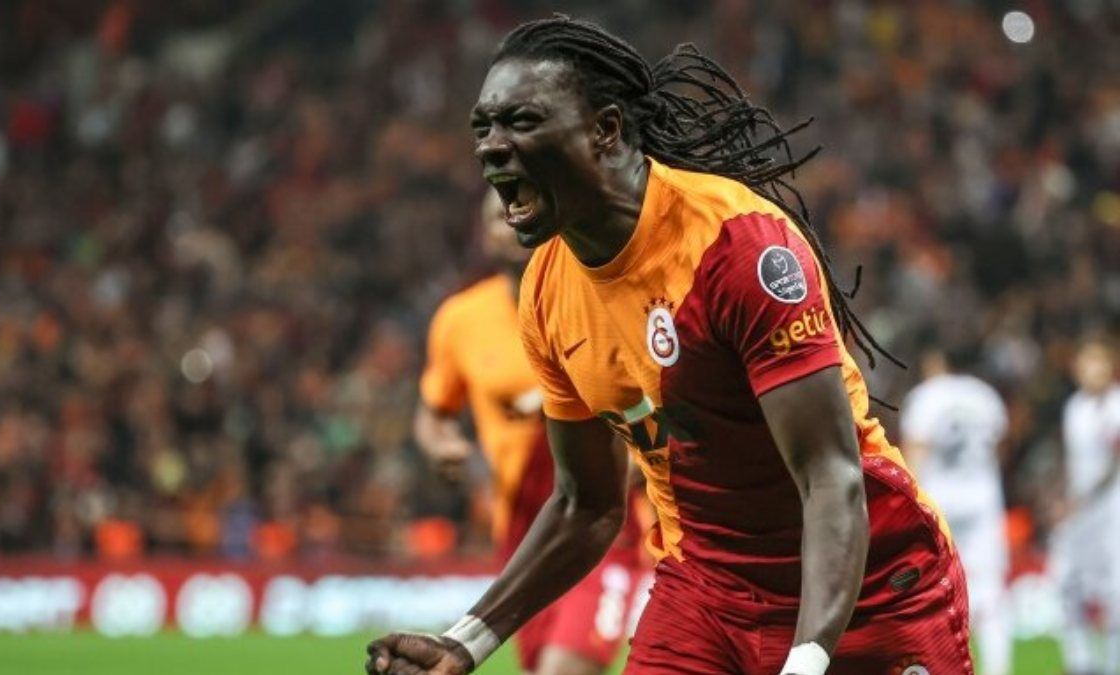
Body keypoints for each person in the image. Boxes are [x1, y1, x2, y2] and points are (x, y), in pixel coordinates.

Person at [367, 16, 970, 675]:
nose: (491, 146)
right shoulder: (545, 292)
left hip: (871, 592)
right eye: (483, 126)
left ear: (606, 129)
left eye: (522, 121)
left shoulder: (736, 246)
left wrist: (804, 663)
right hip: (708, 593)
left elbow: (829, 476)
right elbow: (586, 504)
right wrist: (464, 642)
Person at [414, 193, 647, 675]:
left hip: (606, 518)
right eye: (499, 215)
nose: (512, 219)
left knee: (563, 669)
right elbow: (434, 410)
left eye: (525, 205)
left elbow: (652, 390)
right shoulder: (460, 319)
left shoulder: (600, 296)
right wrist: (442, 445)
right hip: (526, 531)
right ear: (484, 234)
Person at [900, 347, 1012, 675]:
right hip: (982, 501)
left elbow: (916, 451)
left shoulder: (926, 396)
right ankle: (998, 668)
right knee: (989, 589)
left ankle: (933, 667)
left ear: (936, 361)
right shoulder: (985, 396)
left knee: (931, 589)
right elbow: (1002, 446)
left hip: (940, 501)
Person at [1052, 338, 1120, 675]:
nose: (1093, 369)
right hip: (1079, 510)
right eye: (1087, 362)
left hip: (1111, 510)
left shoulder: (1116, 406)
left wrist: (1082, 498)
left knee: (1114, 588)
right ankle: (1079, 661)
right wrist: (1061, 495)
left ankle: (1110, 662)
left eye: (1099, 362)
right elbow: (1073, 462)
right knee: (1067, 580)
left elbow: (1113, 465)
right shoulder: (1074, 407)